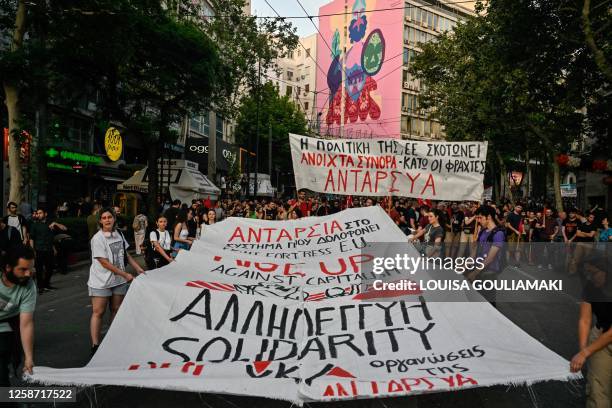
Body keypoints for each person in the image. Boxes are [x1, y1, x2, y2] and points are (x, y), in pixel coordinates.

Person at [88, 208, 144, 356]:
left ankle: (113, 340)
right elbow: (104, 262)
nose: (107, 220)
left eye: (109, 217)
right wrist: (125, 274)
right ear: (100, 221)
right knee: (98, 312)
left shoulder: (119, 234)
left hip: (119, 280)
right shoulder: (98, 238)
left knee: (116, 310)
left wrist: (138, 268)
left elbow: (125, 255)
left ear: (114, 219)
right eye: (104, 218)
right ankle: (95, 344)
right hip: (101, 281)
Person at [570, 258, 611, 407]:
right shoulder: (590, 286)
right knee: (596, 390)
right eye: (587, 273)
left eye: (593, 273)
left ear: (606, 271)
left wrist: (586, 352)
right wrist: (583, 350)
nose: (590, 277)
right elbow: (585, 320)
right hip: (601, 334)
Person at [0, 246, 36, 386]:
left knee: (3, 355)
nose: (28, 274)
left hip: (9, 322)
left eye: (30, 269)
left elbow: (26, 323)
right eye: (23, 269)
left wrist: (29, 357)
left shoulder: (29, 286)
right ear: (8, 268)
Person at [466, 205, 506, 306]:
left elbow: (490, 258)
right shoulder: (483, 231)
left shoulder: (498, 233)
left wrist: (474, 273)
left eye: (480, 217)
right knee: (475, 301)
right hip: (478, 270)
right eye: (477, 218)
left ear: (489, 217)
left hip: (488, 273)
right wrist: (467, 263)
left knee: (488, 304)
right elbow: (476, 250)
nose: (478, 221)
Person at [29, 207, 67, 294]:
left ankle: (46, 285)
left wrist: (55, 223)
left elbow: (64, 229)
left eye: (40, 213)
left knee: (50, 269)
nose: (38, 215)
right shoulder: (35, 225)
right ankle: (40, 287)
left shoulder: (51, 224)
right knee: (39, 270)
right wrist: (32, 250)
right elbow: (31, 238)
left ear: (45, 214)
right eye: (37, 213)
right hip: (39, 250)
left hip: (49, 249)